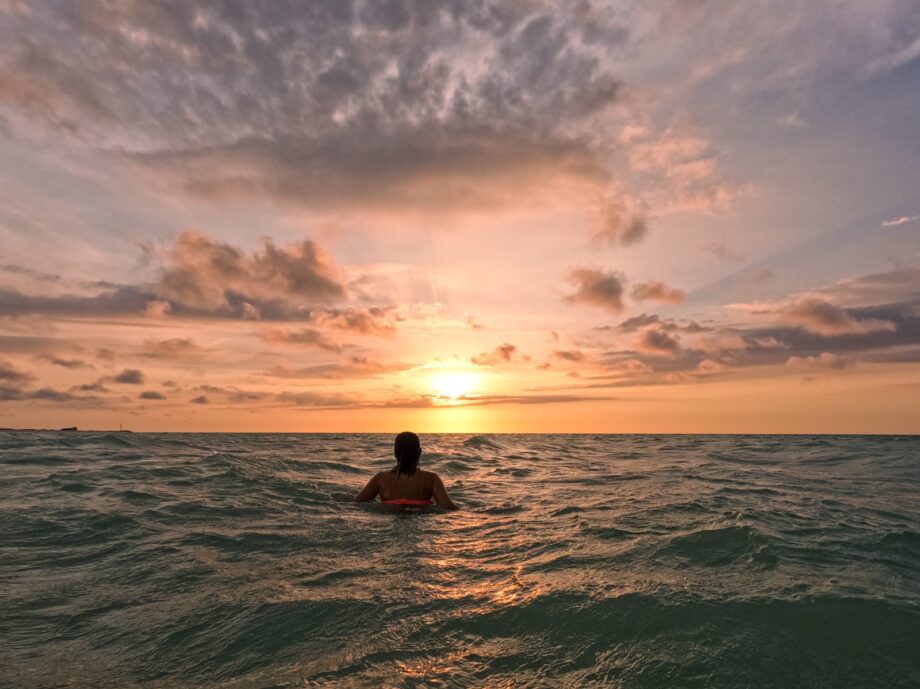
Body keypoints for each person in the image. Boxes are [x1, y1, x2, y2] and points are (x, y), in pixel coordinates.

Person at [354, 431, 459, 510]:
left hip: (389, 516)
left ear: (395, 453)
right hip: (420, 517)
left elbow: (357, 503)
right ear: (420, 452)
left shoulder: (380, 479)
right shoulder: (431, 479)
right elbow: (448, 507)